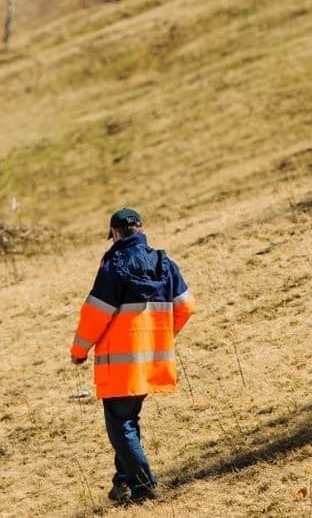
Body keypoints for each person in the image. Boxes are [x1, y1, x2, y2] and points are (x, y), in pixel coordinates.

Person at [69, 207, 195, 504]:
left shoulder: (113, 267)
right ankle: (121, 484)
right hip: (153, 360)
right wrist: (162, 335)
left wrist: (79, 351)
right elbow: (187, 306)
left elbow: (95, 314)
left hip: (120, 364)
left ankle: (143, 485)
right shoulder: (165, 263)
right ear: (141, 228)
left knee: (121, 426)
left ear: (114, 233)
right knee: (128, 421)